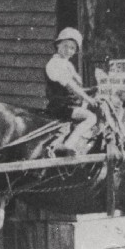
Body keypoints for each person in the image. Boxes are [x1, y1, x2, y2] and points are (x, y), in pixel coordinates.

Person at [44, 27, 99, 155]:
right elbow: (71, 86)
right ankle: (67, 145)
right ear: (58, 45)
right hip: (60, 106)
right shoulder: (55, 64)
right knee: (91, 118)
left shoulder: (66, 64)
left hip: (69, 105)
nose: (69, 50)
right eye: (66, 46)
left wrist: (91, 91)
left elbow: (75, 88)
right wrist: (88, 98)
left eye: (72, 48)